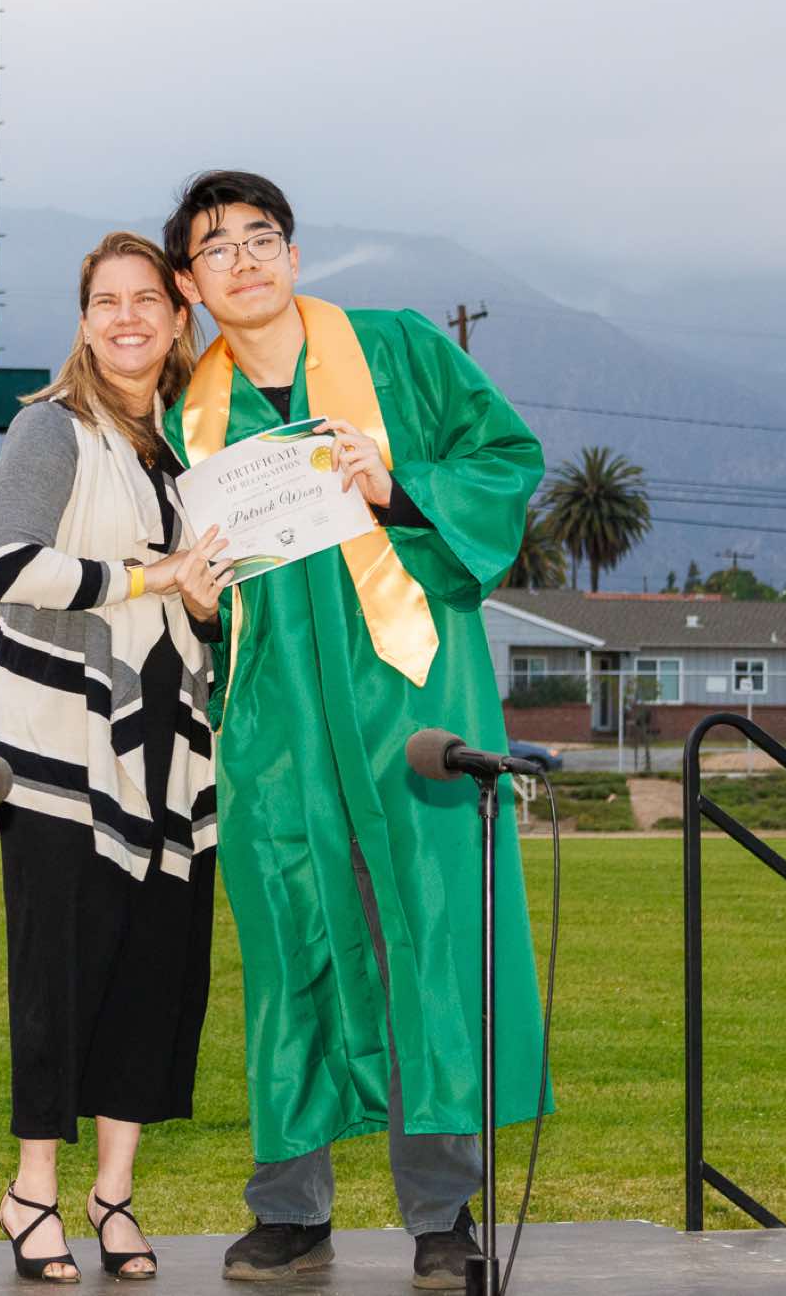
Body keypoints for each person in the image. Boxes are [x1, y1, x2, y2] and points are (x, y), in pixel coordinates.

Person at [158, 171, 553, 1289]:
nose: (244, 260)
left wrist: (398, 483)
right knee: (292, 949)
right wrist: (198, 601)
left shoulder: (398, 349)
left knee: (426, 941)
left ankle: (443, 1218)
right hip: (276, 719)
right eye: (217, 248)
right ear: (191, 283)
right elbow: (191, 580)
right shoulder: (188, 415)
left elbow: (507, 458)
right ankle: (289, 1210)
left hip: (409, 707)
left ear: (294, 254)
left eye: (262, 238)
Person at [0, 230, 230, 1283]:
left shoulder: (190, 448)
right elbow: (8, 566)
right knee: (59, 977)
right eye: (106, 302)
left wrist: (202, 605)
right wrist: (150, 577)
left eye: (146, 301)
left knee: (152, 978)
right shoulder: (51, 427)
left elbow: (204, 605)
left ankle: (113, 1194)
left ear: (177, 319)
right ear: (83, 322)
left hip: (170, 749)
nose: (127, 318)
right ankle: (32, 1191)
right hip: (55, 750)